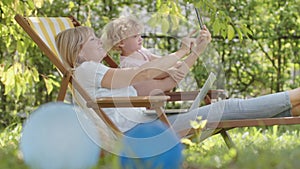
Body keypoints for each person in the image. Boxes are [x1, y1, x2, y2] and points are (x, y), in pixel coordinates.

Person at [55, 26, 300, 134]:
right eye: (93, 40)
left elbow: (158, 79)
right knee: (229, 108)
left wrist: (194, 52)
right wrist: (182, 52)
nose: (100, 42)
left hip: (147, 122)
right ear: (78, 51)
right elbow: (143, 74)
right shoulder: (85, 70)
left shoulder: (96, 72)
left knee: (231, 109)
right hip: (141, 132)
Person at [101, 16, 194, 68]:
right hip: (146, 93)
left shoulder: (140, 51)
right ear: (121, 43)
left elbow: (160, 60)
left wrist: (180, 60)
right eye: (135, 36)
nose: (140, 38)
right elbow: (154, 70)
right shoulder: (128, 64)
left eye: (140, 35)